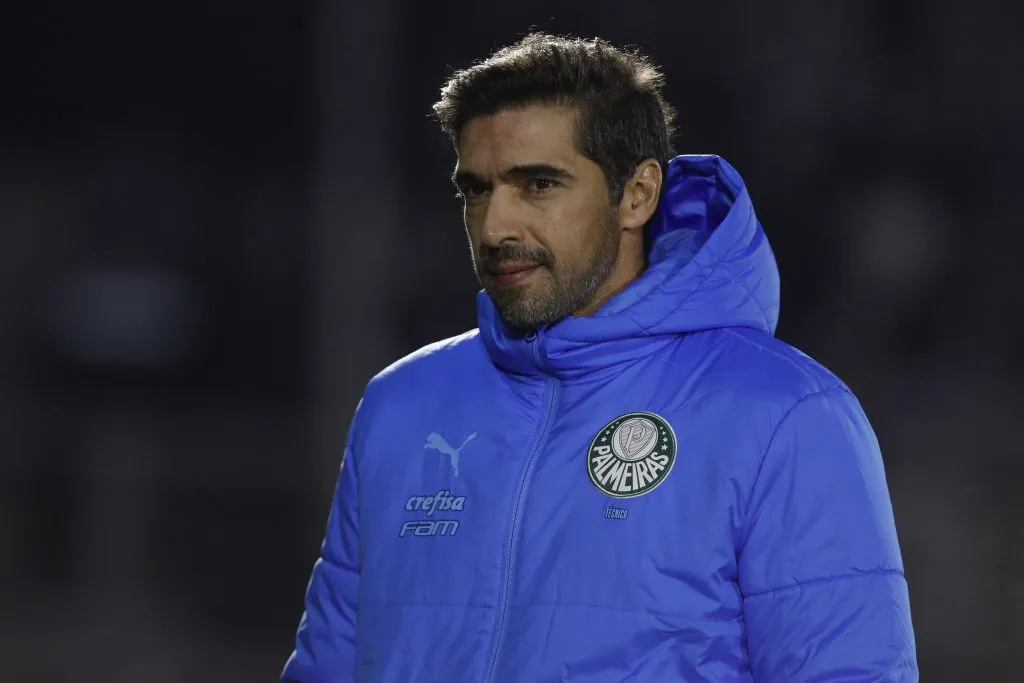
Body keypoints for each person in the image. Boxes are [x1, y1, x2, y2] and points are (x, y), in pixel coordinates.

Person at [281, 32, 918, 682]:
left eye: (537, 185)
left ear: (637, 194)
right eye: (475, 190)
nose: (496, 226)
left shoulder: (787, 415)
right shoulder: (402, 405)